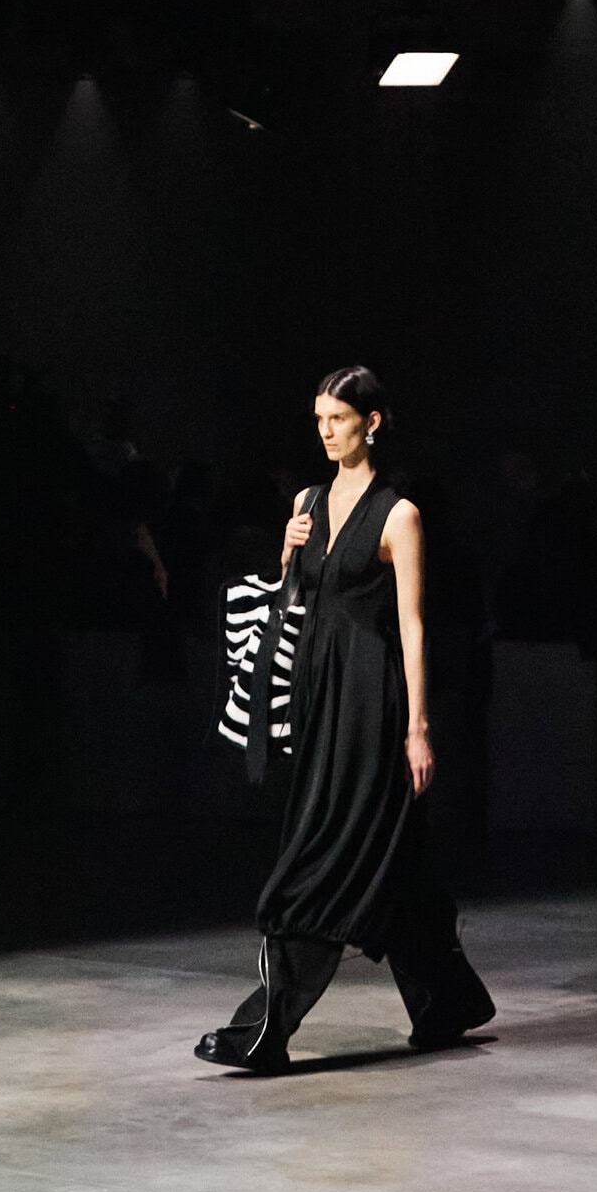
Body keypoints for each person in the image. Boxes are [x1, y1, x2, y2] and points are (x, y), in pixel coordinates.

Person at [195, 366, 495, 1074]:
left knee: (321, 857)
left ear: (372, 422)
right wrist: (287, 550)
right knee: (395, 864)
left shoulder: (398, 515)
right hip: (317, 695)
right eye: (319, 420)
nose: (326, 432)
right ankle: (447, 1000)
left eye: (338, 418)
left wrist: (417, 728)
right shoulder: (306, 501)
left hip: (370, 700)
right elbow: (296, 597)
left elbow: (412, 625)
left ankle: (265, 1028)